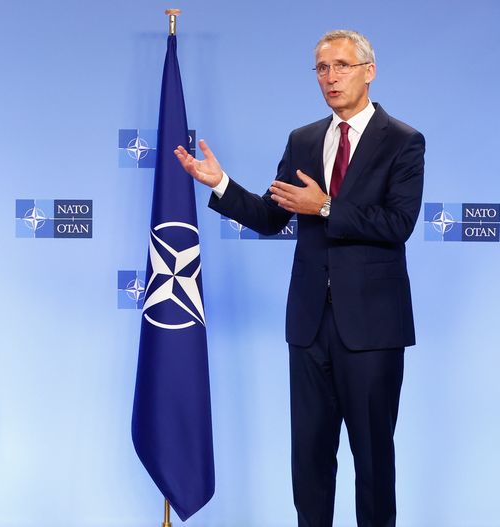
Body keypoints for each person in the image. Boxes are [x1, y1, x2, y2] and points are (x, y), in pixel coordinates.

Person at [174, 30, 424, 527]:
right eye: (321, 68)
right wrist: (220, 184)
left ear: (368, 71)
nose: (330, 78)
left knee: (373, 461)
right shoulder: (303, 140)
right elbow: (271, 217)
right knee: (308, 462)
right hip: (309, 326)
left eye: (341, 66)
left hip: (372, 330)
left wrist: (327, 206)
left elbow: (398, 224)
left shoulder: (403, 140)